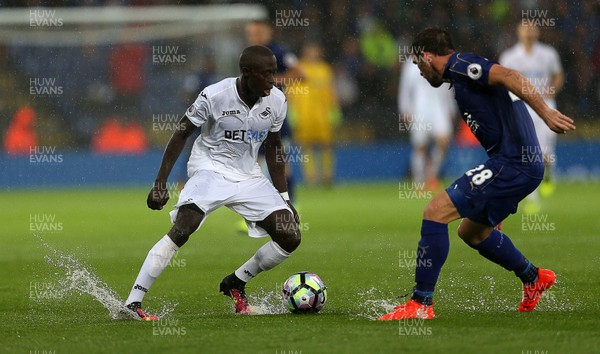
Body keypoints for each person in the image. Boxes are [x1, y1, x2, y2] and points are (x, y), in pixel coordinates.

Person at [379, 28, 575, 320]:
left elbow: (512, 77)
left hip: (514, 164)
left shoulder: (461, 65)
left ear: (428, 57)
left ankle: (421, 304)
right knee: (472, 232)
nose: (419, 72)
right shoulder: (458, 78)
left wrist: (546, 113)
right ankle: (533, 277)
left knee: (435, 211)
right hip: (513, 165)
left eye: (419, 65)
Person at [124, 46, 301, 320]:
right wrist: (160, 182)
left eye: (274, 73)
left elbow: (275, 148)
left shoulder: (276, 100)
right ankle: (132, 304)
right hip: (210, 169)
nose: (272, 79)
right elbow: (181, 133)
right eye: (266, 74)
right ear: (246, 73)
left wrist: (285, 198)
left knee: (290, 234)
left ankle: (236, 282)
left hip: (249, 175)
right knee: (184, 226)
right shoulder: (214, 95)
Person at [499, 23, 564, 213]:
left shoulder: (548, 54)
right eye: (525, 28)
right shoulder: (509, 57)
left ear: (538, 31)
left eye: (532, 28)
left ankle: (549, 174)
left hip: (545, 106)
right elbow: (502, 80)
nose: (528, 31)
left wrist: (552, 90)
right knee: (528, 151)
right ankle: (532, 196)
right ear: (518, 32)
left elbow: (558, 75)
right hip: (521, 107)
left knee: (546, 154)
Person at [245, 20, 304, 200]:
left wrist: (272, 80)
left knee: (280, 161)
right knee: (253, 164)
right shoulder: (249, 55)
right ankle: (257, 211)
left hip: (277, 116)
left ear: (267, 32)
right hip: (255, 117)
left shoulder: (279, 52)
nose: (253, 37)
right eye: (251, 33)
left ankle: (290, 204)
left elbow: (300, 75)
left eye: (256, 33)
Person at [287, 42, 341, 186]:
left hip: (322, 115)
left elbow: (331, 91)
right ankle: (310, 177)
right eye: (310, 50)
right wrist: (292, 114)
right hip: (304, 114)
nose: (313, 53)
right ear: (305, 51)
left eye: (315, 50)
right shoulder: (298, 68)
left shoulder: (325, 69)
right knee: (306, 146)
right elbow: (291, 92)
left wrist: (334, 111)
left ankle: (327, 175)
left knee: (327, 145)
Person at [398, 59, 456, 190]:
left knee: (444, 141)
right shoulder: (411, 64)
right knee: (420, 146)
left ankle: (431, 174)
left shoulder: (441, 61)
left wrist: (451, 108)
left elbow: (448, 86)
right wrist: (405, 108)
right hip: (419, 108)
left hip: (439, 107)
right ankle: (419, 181)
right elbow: (405, 88)